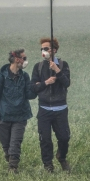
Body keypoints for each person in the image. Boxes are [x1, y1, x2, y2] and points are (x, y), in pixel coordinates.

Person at [0, 49, 36, 174]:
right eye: (24, 58)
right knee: (6, 145)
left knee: (15, 142)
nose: (26, 61)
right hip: (3, 116)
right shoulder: (0, 77)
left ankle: (13, 167)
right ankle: (9, 157)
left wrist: (38, 87)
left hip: (20, 115)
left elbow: (30, 95)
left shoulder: (25, 76)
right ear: (17, 59)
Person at [30, 37, 71, 173]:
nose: (44, 51)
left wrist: (57, 71)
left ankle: (61, 156)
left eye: (46, 48)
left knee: (64, 137)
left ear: (54, 50)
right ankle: (48, 165)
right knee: (45, 139)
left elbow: (66, 83)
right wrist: (46, 82)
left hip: (61, 109)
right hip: (44, 109)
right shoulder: (38, 67)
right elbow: (34, 87)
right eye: (42, 49)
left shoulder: (63, 64)